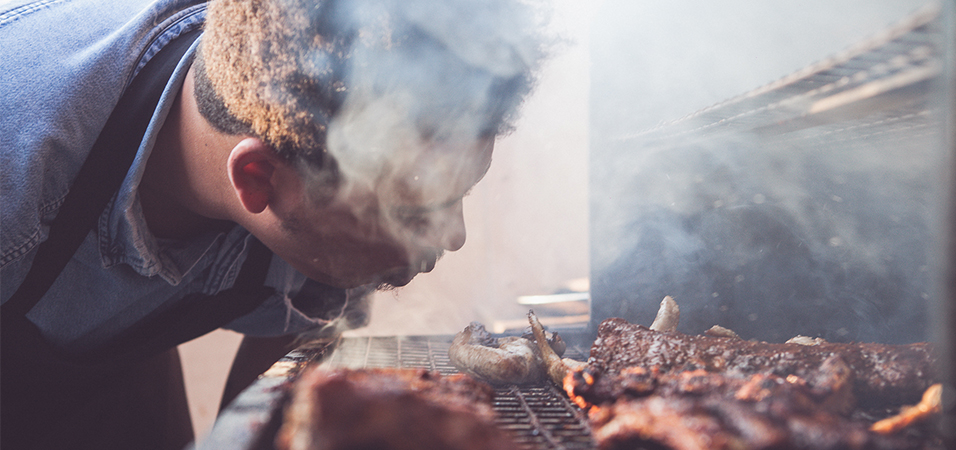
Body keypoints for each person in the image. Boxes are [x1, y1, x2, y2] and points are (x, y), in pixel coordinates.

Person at [0, 0, 547, 448]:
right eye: (413, 209)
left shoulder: (314, 129)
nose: (454, 236)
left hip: (111, 361)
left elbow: (273, 392)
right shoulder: (17, 164)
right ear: (257, 179)